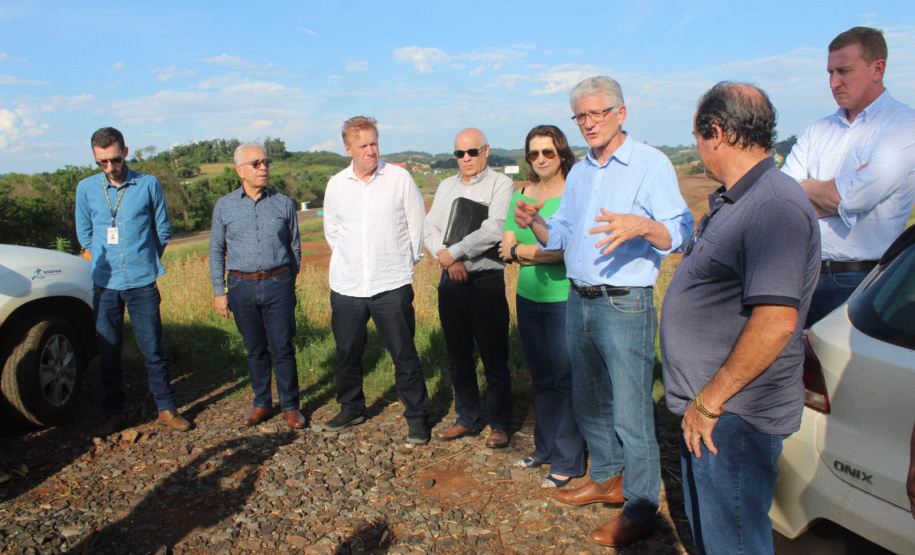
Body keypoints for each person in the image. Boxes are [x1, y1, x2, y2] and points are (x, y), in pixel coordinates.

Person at [515, 76, 693, 547]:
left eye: (597, 113)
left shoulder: (650, 163)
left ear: (621, 113)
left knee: (631, 412)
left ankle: (640, 508)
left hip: (624, 301)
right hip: (579, 298)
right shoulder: (580, 173)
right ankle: (608, 478)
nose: (589, 123)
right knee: (589, 400)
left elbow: (681, 230)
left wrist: (642, 225)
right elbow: (561, 233)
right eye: (581, 116)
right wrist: (537, 222)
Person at [661, 82, 820, 554]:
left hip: (732, 416)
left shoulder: (774, 205)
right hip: (713, 412)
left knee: (733, 542)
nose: (697, 147)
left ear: (717, 132)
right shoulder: (739, 198)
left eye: (697, 136)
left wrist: (710, 402)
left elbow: (775, 323)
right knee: (714, 537)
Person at [782, 26, 915, 327]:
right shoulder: (818, 130)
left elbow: (853, 197)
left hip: (862, 281)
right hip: (802, 276)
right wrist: (837, 192)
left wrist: (806, 187)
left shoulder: (904, 126)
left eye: (844, 71)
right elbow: (781, 198)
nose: (833, 82)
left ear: (877, 69)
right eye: (830, 72)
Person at [322, 116, 431, 444]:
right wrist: (353, 260)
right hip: (347, 285)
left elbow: (416, 225)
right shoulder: (336, 185)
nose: (370, 150)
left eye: (374, 143)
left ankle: (417, 417)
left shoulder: (399, 178)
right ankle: (351, 407)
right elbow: (333, 232)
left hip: (391, 284)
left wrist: (403, 264)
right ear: (348, 149)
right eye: (363, 145)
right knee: (347, 352)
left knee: (404, 353)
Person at [75, 127, 191, 436]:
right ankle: (114, 413)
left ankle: (166, 408)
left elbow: (162, 229)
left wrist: (145, 259)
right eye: (103, 162)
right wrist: (102, 257)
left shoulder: (148, 184)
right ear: (95, 158)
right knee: (109, 352)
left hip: (142, 282)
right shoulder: (86, 189)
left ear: (126, 152)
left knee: (153, 349)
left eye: (115, 159)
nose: (110, 167)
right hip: (106, 283)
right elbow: (84, 233)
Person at [499, 125, 584, 488]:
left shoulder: (574, 194)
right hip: (528, 297)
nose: (541, 159)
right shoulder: (521, 195)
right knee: (542, 378)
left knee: (566, 378)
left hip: (564, 299)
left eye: (548, 152)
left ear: (562, 153)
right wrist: (530, 252)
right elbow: (505, 246)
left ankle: (568, 460)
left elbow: (565, 251)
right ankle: (544, 449)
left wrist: (522, 251)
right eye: (534, 153)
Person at [424, 128, 515, 449]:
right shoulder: (447, 186)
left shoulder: (501, 184)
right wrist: (448, 259)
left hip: (485, 281)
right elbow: (429, 227)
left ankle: (500, 424)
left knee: (494, 356)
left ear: (486, 151)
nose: (466, 158)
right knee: (457, 354)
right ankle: (466, 417)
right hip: (451, 280)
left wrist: (455, 252)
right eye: (459, 153)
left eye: (472, 152)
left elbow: (495, 228)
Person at [209, 143, 304, 429]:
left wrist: (287, 281)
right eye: (256, 163)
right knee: (254, 349)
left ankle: (291, 407)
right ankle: (262, 403)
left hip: (278, 283)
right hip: (241, 286)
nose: (263, 167)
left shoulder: (283, 203)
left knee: (283, 347)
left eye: (266, 162)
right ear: (240, 170)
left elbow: (295, 247)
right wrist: (219, 292)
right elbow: (216, 250)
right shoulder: (224, 205)